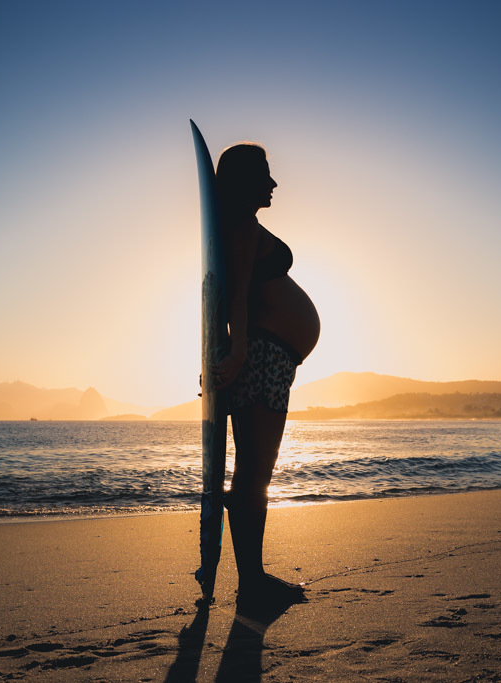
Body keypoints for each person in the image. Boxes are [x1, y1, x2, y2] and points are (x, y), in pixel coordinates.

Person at [211, 143, 320, 609]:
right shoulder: (241, 228)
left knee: (255, 471)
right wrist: (236, 351)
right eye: (266, 176)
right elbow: (234, 295)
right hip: (261, 356)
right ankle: (251, 584)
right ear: (244, 182)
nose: (274, 184)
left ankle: (252, 580)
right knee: (254, 473)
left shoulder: (243, 228)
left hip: (270, 358)